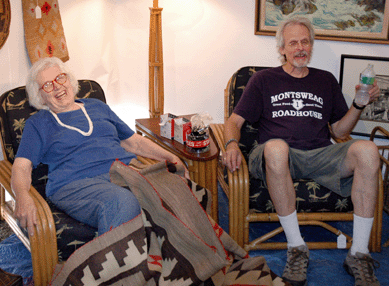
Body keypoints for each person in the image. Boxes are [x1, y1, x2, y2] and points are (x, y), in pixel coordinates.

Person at [223, 16, 381, 286]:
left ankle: (359, 253)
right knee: (276, 148)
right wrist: (231, 144)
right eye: (293, 42)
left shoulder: (325, 80)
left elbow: (340, 131)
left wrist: (358, 104)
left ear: (311, 46)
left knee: (368, 149)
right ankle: (297, 247)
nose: (300, 48)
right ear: (282, 48)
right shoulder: (263, 80)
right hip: (276, 156)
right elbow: (234, 122)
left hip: (319, 155)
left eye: (305, 42)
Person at [11, 56, 189, 239]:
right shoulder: (38, 123)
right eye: (47, 85)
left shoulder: (97, 107)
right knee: (122, 202)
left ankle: (190, 261)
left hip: (125, 172)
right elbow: (22, 166)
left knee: (178, 190)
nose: (57, 86)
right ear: (39, 96)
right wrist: (22, 195)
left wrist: (171, 158)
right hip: (75, 183)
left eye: (60, 78)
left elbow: (133, 142)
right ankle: (116, 266)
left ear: (69, 79)